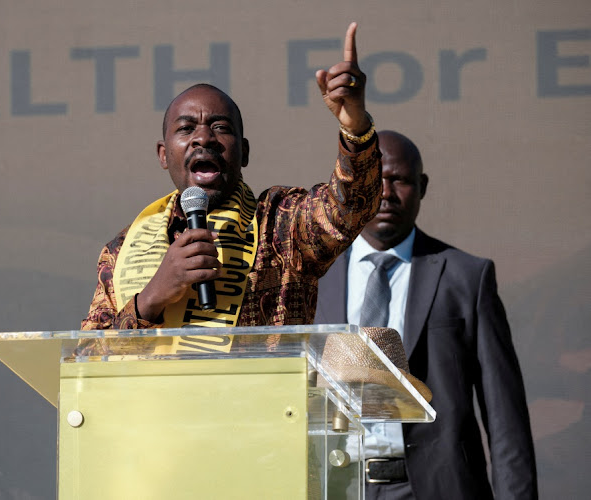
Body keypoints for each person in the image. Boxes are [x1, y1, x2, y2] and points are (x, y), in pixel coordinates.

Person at [78, 23, 382, 338]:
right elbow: (87, 359)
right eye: (186, 128)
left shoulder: (282, 224)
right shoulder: (122, 250)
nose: (203, 138)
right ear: (164, 154)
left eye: (220, 127)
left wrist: (356, 128)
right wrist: (152, 297)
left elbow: (349, 209)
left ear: (244, 152)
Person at [315, 130, 538, 499]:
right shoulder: (314, 277)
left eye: (399, 180)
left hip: (436, 487)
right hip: (338, 485)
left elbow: (505, 419)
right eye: (373, 181)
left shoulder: (466, 277)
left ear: (422, 186)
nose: (385, 193)